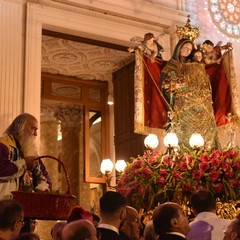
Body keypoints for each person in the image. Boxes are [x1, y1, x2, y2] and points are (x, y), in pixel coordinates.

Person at [160, 38, 220, 150]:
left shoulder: (193, 65)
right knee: (183, 134)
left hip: (199, 106)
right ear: (179, 48)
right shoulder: (171, 65)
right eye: (185, 48)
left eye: (190, 49)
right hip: (181, 107)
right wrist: (174, 86)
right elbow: (163, 85)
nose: (187, 51)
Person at [0, 113, 51, 200]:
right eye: (33, 129)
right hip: (3, 205)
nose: (35, 134)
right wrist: (24, 163)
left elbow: (45, 179)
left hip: (25, 207)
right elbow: (1, 170)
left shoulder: (31, 152)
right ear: (21, 128)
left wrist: (41, 189)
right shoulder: (3, 145)